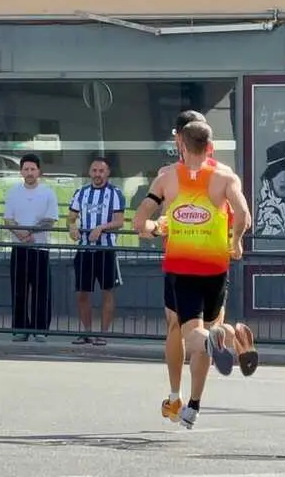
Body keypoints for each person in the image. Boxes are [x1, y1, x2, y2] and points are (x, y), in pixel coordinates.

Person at [133, 121, 256, 429]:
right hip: (216, 270)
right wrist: (236, 241)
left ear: (182, 147)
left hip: (182, 269)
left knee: (192, 335)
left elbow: (140, 220)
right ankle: (228, 339)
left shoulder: (166, 178)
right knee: (212, 327)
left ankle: (218, 338)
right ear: (211, 147)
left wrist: (153, 228)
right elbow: (243, 214)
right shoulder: (226, 178)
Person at [67, 157, 125, 346]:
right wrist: (72, 227)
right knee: (83, 293)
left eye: (101, 171)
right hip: (84, 250)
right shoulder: (81, 193)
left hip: (105, 250)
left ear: (107, 173)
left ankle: (104, 334)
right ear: (90, 172)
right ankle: (86, 332)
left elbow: (119, 221)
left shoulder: (115, 193)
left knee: (107, 292)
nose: (98, 174)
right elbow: (71, 217)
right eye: (94, 170)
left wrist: (101, 228)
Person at [3, 153, 59, 342]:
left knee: (41, 290)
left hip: (40, 248)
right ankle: (20, 328)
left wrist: (31, 234)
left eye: (32, 169)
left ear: (39, 171)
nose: (29, 172)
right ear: (21, 171)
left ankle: (40, 328)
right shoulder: (13, 192)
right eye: (25, 169)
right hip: (19, 248)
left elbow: (50, 220)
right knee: (19, 290)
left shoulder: (48, 193)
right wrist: (20, 234)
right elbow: (8, 219)